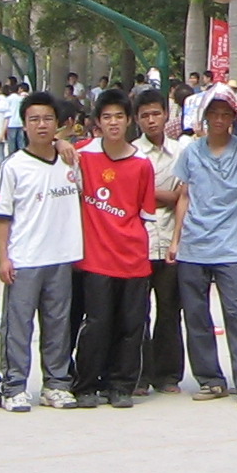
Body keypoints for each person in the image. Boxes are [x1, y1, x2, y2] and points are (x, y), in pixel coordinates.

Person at [174, 88, 237, 404]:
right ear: (204, 117)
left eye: (225, 114)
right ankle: (210, 379)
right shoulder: (191, 152)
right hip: (194, 245)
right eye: (213, 114)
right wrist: (176, 239)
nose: (219, 119)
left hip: (233, 246)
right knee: (196, 317)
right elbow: (184, 195)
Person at [0, 90, 81, 413]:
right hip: (25, 259)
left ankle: (56, 384)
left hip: (62, 257)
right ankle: (14, 386)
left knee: (58, 326)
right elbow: (2, 217)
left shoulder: (71, 160)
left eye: (47, 119)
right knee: (18, 327)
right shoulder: (14, 166)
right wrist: (3, 258)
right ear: (24, 124)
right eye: (34, 120)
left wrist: (63, 143)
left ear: (57, 123)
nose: (41, 125)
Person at [70, 90, 158, 409]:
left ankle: (121, 385)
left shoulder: (141, 163)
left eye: (119, 116)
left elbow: (145, 214)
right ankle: (86, 385)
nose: (113, 123)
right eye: (106, 117)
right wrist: (62, 143)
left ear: (129, 120)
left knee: (131, 326)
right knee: (97, 324)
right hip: (95, 259)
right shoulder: (83, 155)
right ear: (97, 122)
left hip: (133, 259)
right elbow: (54, 148)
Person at [130, 87, 188, 396]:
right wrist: (168, 196)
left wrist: (151, 195)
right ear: (136, 120)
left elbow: (185, 194)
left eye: (156, 114)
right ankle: (138, 374)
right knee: (137, 313)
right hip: (139, 242)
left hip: (171, 241)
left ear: (166, 115)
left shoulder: (181, 151)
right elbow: (132, 196)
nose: (151, 120)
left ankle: (167, 374)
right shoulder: (131, 153)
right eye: (145, 116)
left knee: (170, 310)